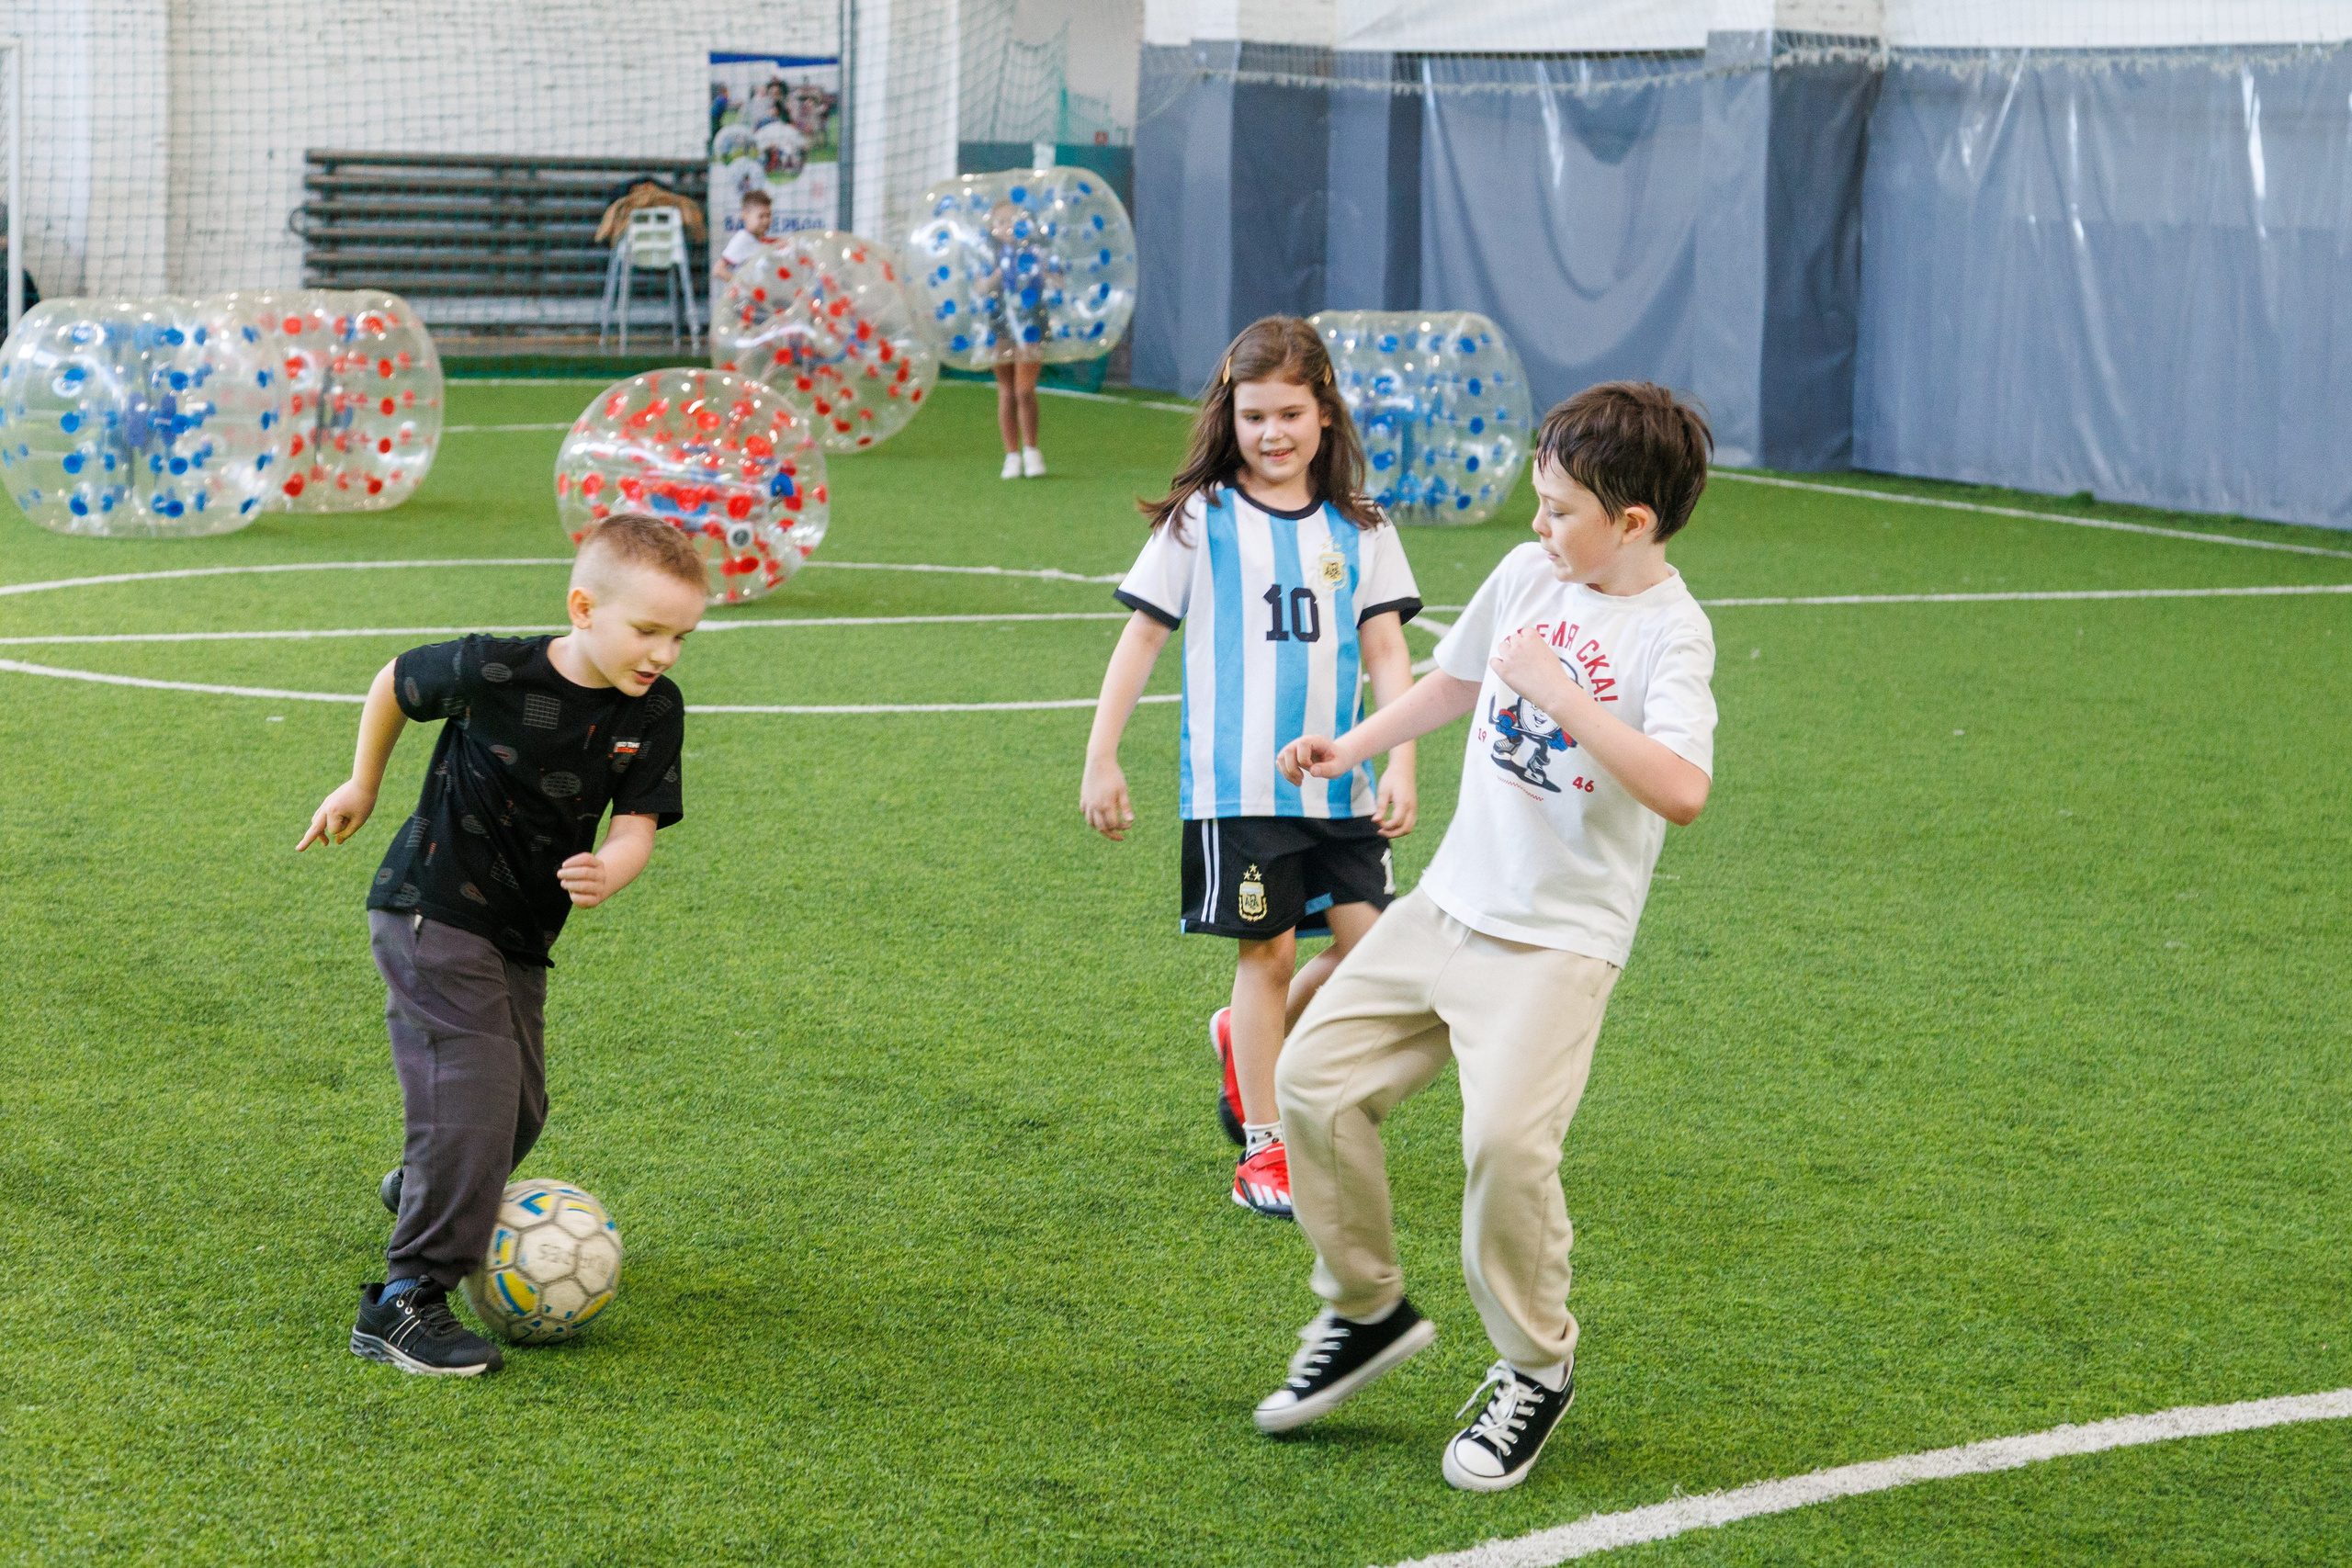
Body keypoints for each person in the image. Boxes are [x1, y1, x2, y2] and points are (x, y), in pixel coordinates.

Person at [1251, 382, 1718, 1495]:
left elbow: (1683, 791)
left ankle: (1534, 1370)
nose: (1535, 526)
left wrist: (1564, 698)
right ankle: (1364, 1309)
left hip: (1555, 946)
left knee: (1505, 1150)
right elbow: (1457, 682)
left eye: (1557, 509)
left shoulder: (1673, 632)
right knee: (1310, 1083)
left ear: (1633, 523)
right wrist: (1350, 744)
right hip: (1447, 907)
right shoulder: (1526, 576)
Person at [296, 516, 707, 1376]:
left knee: (519, 1109)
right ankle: (405, 1301)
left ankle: (423, 1192)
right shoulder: (496, 668)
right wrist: (362, 781)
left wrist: (612, 869)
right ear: (584, 607)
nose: (664, 652)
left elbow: (636, 826)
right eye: (647, 630)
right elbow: (396, 682)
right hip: (433, 904)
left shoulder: (656, 710)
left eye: (680, 636)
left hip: (520, 931)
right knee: (477, 1094)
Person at [1083, 316, 1423, 1219]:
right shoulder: (1203, 520)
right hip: (1236, 788)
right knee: (1267, 952)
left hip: (1341, 784)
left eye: (1289, 414)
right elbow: (1142, 636)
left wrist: (1400, 762)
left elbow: (1388, 653)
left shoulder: (1362, 525)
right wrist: (1102, 755)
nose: (1271, 434)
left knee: (1374, 958)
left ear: (1325, 415)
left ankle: (1247, 1041)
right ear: (1227, 418)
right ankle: (1266, 1150)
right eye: (1252, 416)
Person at [985, 200, 1054, 478]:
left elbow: (1056, 279)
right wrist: (999, 273)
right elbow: (979, 286)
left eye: (1013, 221)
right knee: (1006, 391)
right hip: (999, 323)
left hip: (1030, 324)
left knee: (1024, 390)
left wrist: (1040, 272)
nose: (1007, 227)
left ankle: (1032, 449)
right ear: (992, 228)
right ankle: (1011, 455)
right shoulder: (988, 254)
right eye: (1000, 222)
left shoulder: (1036, 251)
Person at [715, 188, 773, 283]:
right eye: (761, 216)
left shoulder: (762, 241)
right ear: (744, 215)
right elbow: (718, 270)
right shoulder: (743, 239)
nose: (766, 221)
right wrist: (746, 286)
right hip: (748, 297)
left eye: (768, 215)